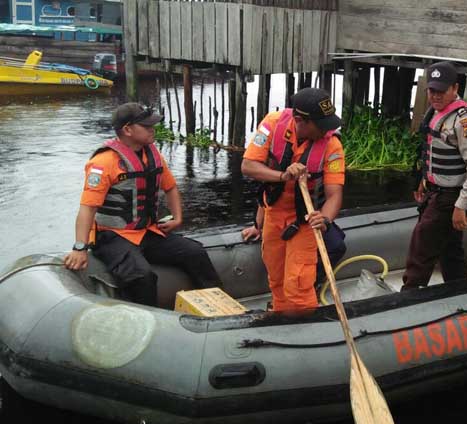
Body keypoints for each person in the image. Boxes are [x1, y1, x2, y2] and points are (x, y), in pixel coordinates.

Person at [63, 103, 222, 307]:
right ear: (127, 130)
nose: (152, 130)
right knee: (142, 276)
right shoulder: (103, 162)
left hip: (146, 232)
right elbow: (87, 208)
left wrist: (177, 218)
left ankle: (220, 308)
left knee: (195, 252)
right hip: (112, 236)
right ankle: (150, 322)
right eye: (146, 126)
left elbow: (171, 187)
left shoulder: (153, 156)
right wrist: (80, 248)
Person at [241, 88, 345, 311]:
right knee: (276, 278)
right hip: (273, 215)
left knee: (298, 284)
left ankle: (304, 324)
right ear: (300, 121)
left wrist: (325, 219)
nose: (329, 129)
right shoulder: (272, 124)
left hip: (304, 221)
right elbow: (248, 166)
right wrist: (283, 176)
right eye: (323, 124)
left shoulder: (332, 145)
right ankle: (281, 316)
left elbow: (334, 194)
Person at [402, 61, 467, 290]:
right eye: (431, 90)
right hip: (436, 190)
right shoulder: (436, 112)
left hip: (451, 196)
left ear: (455, 88)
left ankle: (409, 294)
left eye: (441, 90)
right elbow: (431, 149)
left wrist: (462, 205)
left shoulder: (465, 121)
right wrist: (424, 179)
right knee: (450, 248)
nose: (435, 95)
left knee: (421, 244)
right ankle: (460, 289)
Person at [241, 204, 347, 287]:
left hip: (312, 218)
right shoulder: (279, 178)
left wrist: (324, 221)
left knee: (337, 245)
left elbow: (333, 195)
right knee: (281, 260)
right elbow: (266, 195)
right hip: (287, 221)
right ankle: (289, 288)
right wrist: (257, 226)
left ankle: (312, 283)